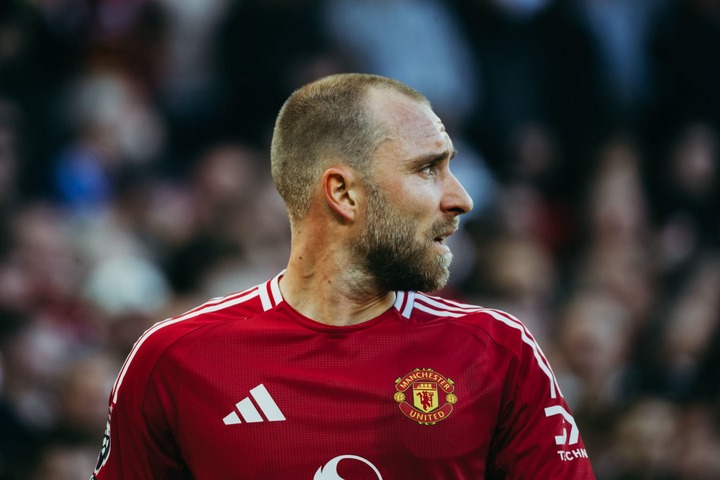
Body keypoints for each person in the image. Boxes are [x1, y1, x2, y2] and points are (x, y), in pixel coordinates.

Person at [91, 73, 595, 479]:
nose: (461, 198)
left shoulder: (498, 352)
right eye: (428, 169)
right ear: (344, 193)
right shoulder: (176, 360)